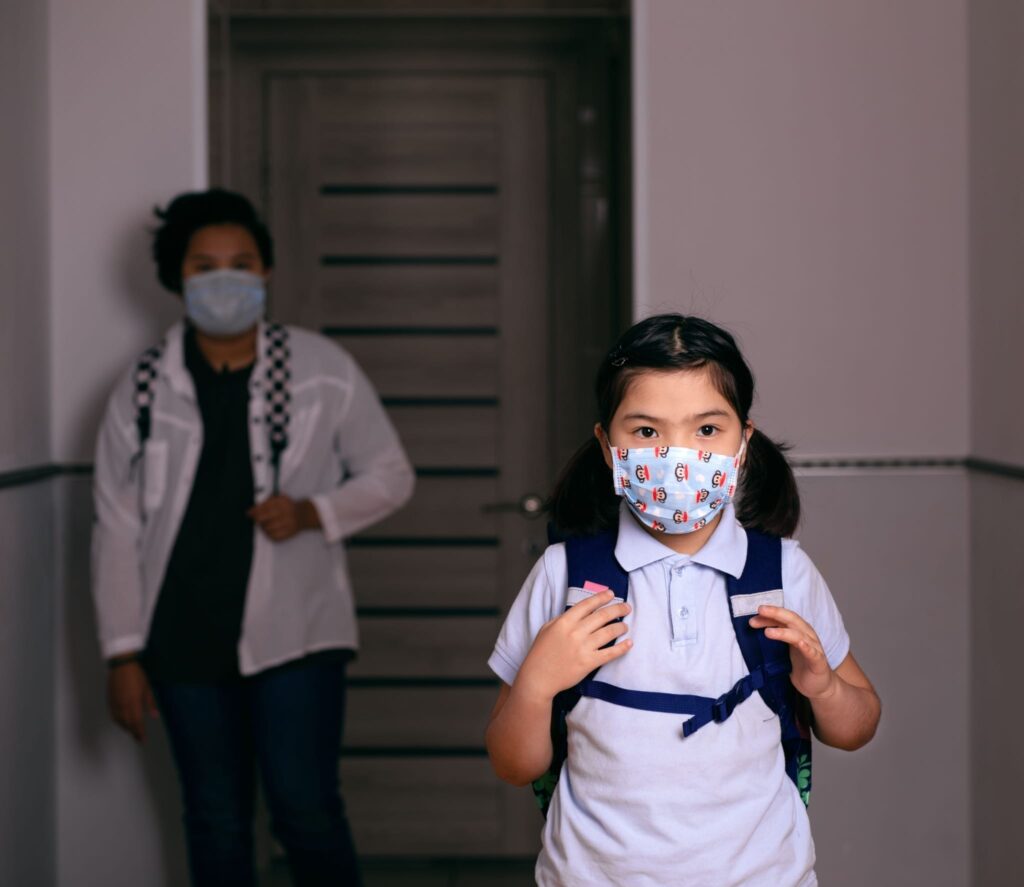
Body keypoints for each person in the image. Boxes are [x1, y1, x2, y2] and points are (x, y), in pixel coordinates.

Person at [485, 314, 881, 886]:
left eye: (706, 431)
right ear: (607, 445)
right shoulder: (562, 575)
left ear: (743, 442)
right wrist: (537, 684)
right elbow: (511, 762)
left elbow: (859, 726)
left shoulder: (784, 573)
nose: (678, 456)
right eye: (646, 432)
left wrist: (823, 688)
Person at [91, 188, 414, 886]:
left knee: (307, 810)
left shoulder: (322, 368)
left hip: (297, 634)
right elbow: (115, 525)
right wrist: (122, 650)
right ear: (178, 277)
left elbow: (392, 474)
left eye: (241, 262)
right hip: (181, 638)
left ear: (266, 271)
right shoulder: (143, 387)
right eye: (205, 266)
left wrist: (314, 511)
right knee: (213, 817)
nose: (224, 280)